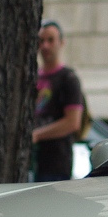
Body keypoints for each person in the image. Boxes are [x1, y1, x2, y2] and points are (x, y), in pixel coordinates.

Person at [33, 21, 84, 182]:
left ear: (61, 43)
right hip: (32, 162)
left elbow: (72, 122)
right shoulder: (33, 77)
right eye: (41, 41)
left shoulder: (68, 79)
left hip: (56, 165)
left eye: (50, 40)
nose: (45, 46)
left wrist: (36, 135)